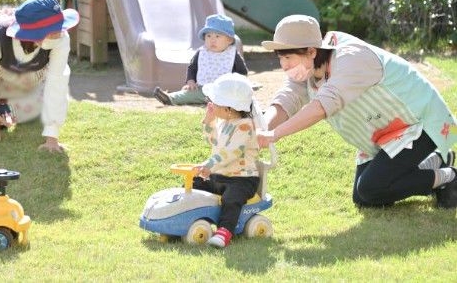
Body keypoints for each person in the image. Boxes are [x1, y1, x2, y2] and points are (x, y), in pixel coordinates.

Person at [257, 15, 457, 209]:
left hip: (418, 122)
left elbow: (321, 107)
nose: (284, 65)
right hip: (384, 133)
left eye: (288, 57)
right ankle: (437, 161)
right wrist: (258, 131)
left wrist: (274, 135)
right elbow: (286, 101)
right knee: (363, 198)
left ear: (311, 51)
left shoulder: (351, 58)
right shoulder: (309, 69)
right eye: (280, 57)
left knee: (372, 188)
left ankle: (449, 177)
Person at [0, 0, 79, 152]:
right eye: (52, 31)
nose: (60, 33)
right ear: (33, 35)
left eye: (60, 26)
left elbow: (57, 81)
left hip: (30, 73)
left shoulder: (60, 38)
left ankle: (22, 108)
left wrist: (52, 136)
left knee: (29, 113)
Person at [192, 73, 260, 248]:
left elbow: (231, 152)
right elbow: (213, 142)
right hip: (220, 176)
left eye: (216, 102)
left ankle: (224, 231)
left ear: (229, 108)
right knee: (196, 183)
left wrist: (209, 164)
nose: (212, 105)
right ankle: (193, 219)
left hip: (242, 179)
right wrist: (209, 121)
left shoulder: (245, 125)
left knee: (232, 198)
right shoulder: (225, 122)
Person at [153, 14, 248, 105]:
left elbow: (242, 72)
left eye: (217, 36)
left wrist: (236, 86)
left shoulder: (232, 55)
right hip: (203, 89)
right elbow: (192, 68)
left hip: (224, 91)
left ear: (229, 40)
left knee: (236, 99)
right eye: (209, 36)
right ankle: (170, 98)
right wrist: (191, 81)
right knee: (189, 94)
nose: (212, 40)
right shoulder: (202, 52)